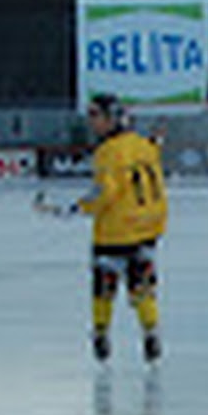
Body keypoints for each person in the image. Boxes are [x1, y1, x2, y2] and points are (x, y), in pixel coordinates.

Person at [76, 92, 167, 363]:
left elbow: (106, 192)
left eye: (96, 115)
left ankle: (101, 332)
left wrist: (80, 207)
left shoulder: (107, 152)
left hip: (116, 230)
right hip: (149, 226)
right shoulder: (142, 145)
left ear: (111, 118)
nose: (91, 122)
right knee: (142, 285)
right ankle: (151, 329)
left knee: (104, 285)